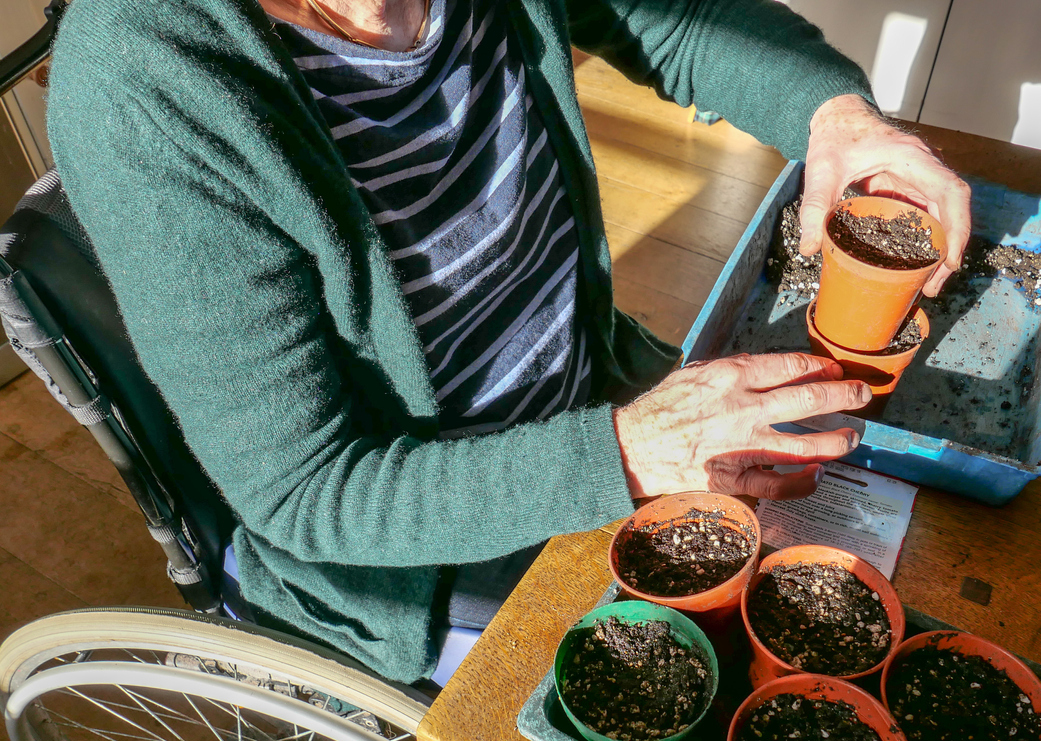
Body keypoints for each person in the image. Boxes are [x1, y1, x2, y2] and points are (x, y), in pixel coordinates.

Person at [46, 0, 970, 683]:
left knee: (889, 562)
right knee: (724, 684)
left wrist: (837, 117)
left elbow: (683, 23)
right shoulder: (146, 86)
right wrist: (626, 453)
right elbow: (305, 491)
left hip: (591, 394)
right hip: (424, 545)